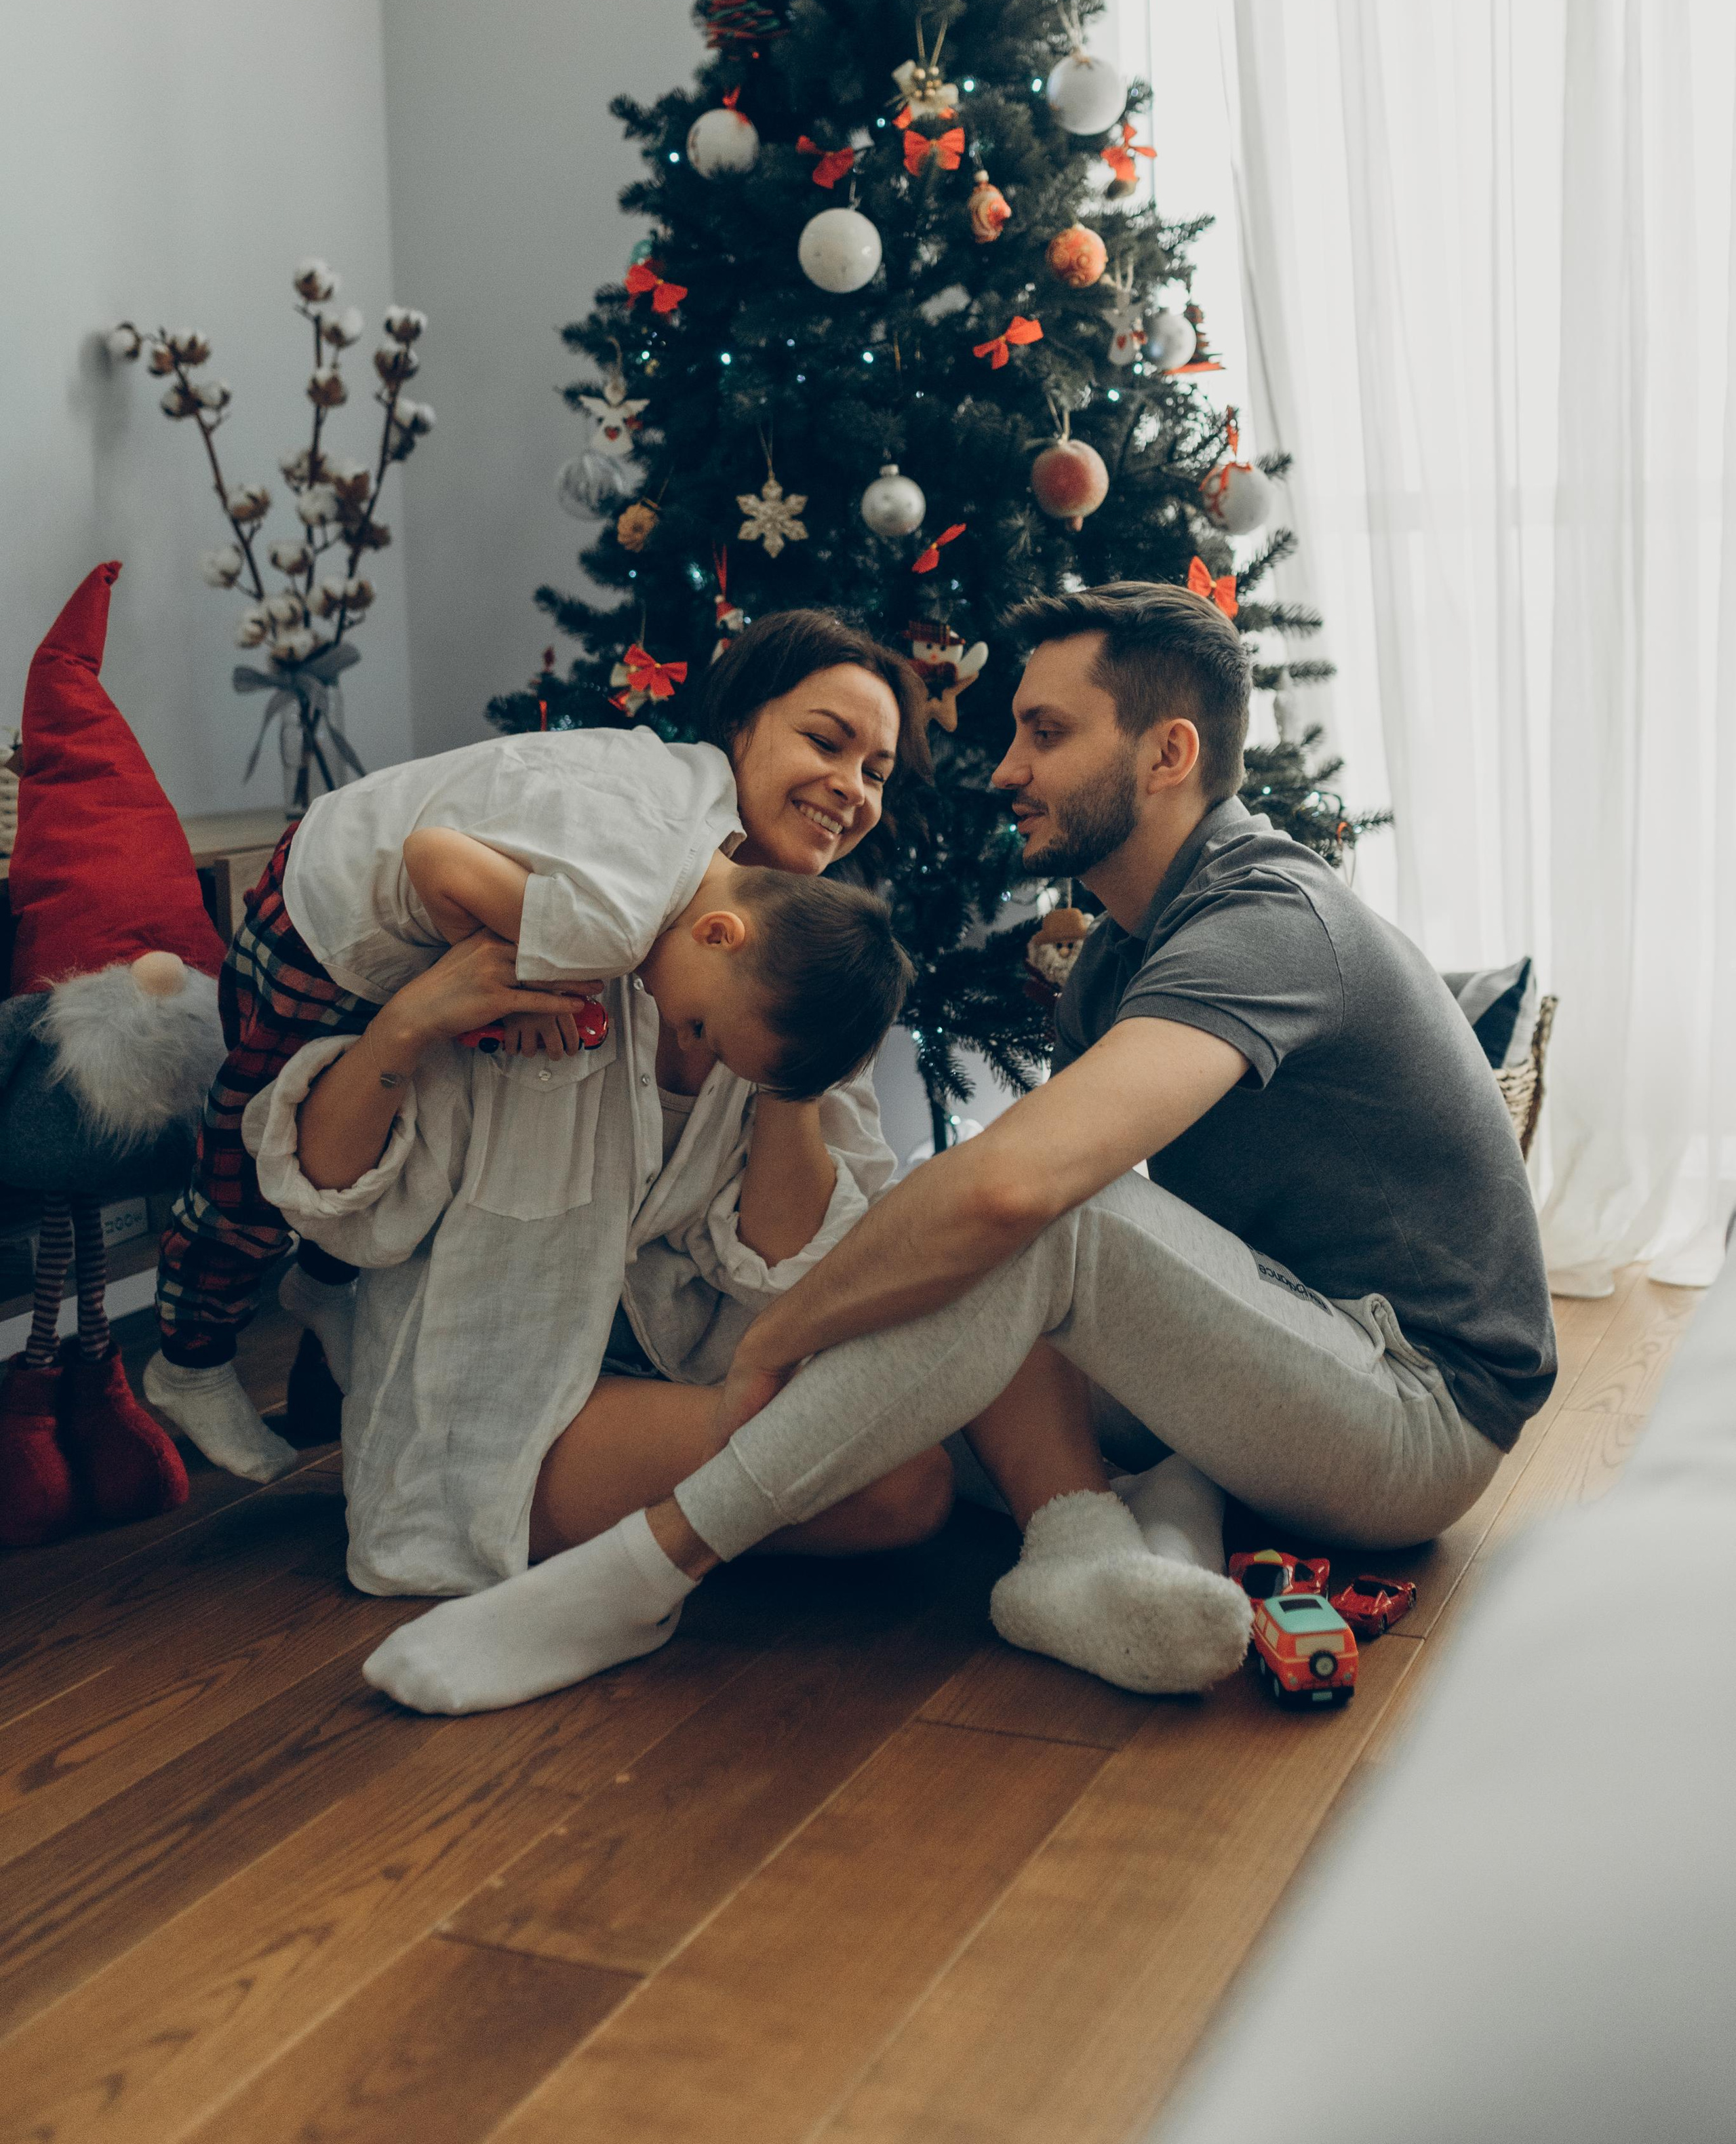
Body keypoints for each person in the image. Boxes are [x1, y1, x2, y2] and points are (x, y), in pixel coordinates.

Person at [358, 581, 1557, 1717]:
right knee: (959, 1324)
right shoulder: (1117, 959)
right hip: (1289, 1346)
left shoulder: (1265, 921)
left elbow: (1025, 1189)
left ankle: (637, 1574)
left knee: (1036, 1212)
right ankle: (1117, 1524)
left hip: (1417, 1410)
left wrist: (784, 1335)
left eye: (1045, 731)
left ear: (1168, 753)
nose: (1007, 767)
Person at [143, 610, 930, 1482]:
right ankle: (191, 1358)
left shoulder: (807, 972)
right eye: (826, 742)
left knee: (893, 1479)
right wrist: (517, 980)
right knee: (240, 1151)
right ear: (737, 725)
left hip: (662, 1366)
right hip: (317, 922)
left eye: (878, 772)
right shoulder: (621, 906)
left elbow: (792, 1252)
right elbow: (430, 857)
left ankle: (323, 1293)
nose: (852, 786)